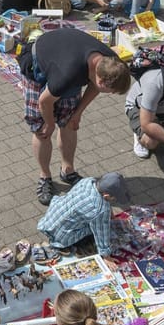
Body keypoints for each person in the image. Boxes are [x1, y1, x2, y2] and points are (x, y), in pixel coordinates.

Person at [18, 26, 132, 206]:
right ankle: (45, 177)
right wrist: (49, 123)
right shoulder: (68, 74)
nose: (110, 95)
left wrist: (77, 113)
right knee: (41, 130)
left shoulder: (111, 63)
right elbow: (44, 102)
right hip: (36, 65)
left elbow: (95, 87)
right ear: (100, 79)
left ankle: (67, 170)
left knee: (70, 124)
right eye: (110, 91)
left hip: (65, 59)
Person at [38, 172, 131, 252]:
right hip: (62, 236)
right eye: (114, 198)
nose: (115, 200)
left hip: (50, 218)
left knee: (89, 215)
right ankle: (78, 242)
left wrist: (112, 217)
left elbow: (106, 203)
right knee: (98, 226)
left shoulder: (89, 181)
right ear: (106, 195)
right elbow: (101, 232)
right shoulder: (99, 209)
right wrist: (105, 254)